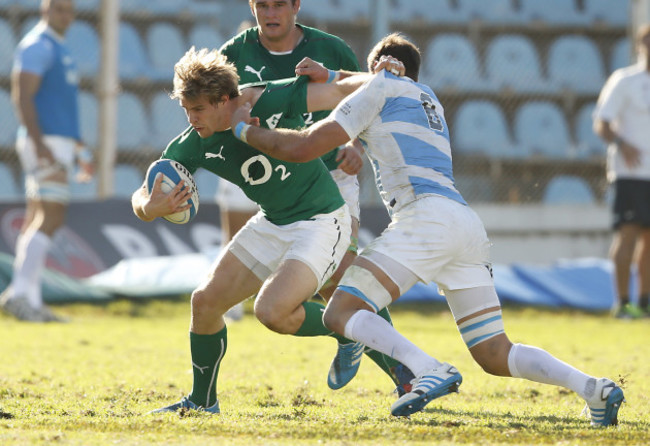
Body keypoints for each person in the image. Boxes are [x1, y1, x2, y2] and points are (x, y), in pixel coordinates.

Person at [230, 33, 626, 427]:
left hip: (425, 218)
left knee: (341, 311)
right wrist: (334, 73)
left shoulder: (377, 89)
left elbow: (306, 146)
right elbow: (366, 80)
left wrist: (245, 132)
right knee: (494, 352)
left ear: (379, 69)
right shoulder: (427, 95)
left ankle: (427, 369)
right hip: (464, 222)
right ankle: (594, 389)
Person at [133, 47, 408, 414]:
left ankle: (366, 341)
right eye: (186, 109)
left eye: (197, 109)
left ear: (224, 101)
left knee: (275, 312)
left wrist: (380, 79)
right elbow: (148, 186)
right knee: (204, 303)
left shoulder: (265, 98)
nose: (191, 118)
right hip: (274, 219)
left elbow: (339, 91)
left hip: (322, 219)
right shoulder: (194, 140)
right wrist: (149, 208)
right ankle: (202, 402)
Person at [216, 0, 414, 391]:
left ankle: (405, 373)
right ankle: (353, 339)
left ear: (296, 6)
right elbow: (220, 112)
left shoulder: (331, 49)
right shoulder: (234, 55)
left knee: (342, 279)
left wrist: (356, 145)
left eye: (278, 5)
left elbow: (363, 100)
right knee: (326, 287)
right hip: (281, 183)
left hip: (333, 177)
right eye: (262, 5)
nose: (270, 13)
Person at [0, 0, 92, 322]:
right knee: (52, 217)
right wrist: (39, 142)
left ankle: (31, 299)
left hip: (59, 141)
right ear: (45, 10)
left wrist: (81, 150)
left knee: (37, 217)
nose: (65, 15)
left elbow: (63, 106)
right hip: (46, 142)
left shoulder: (58, 47)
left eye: (69, 9)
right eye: (58, 8)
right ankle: (18, 294)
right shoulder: (38, 45)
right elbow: (21, 94)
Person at [594, 24, 650, 319]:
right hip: (630, 173)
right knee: (627, 234)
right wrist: (621, 143)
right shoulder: (625, 80)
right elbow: (602, 122)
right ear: (641, 45)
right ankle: (622, 302)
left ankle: (643, 301)